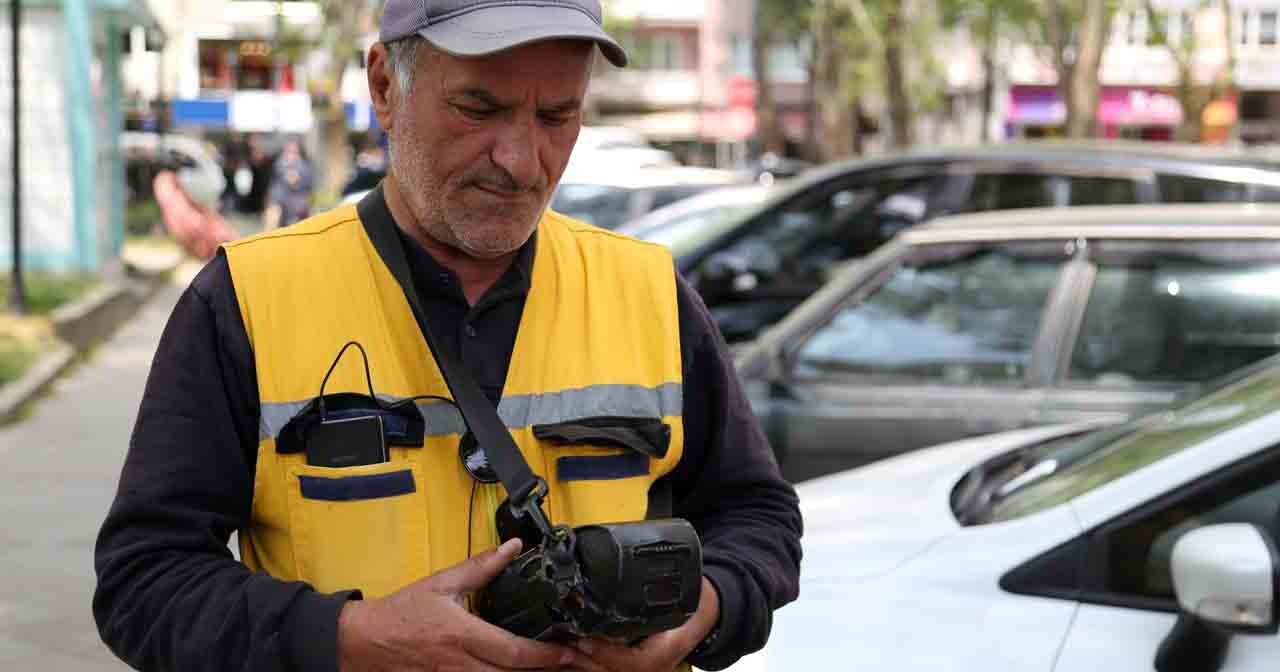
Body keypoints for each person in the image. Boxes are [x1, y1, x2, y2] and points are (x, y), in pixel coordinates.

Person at [93, 2, 802, 671]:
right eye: (478, 108)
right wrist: (345, 640)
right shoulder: (245, 300)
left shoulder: (650, 291)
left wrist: (704, 609)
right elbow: (144, 579)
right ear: (384, 85)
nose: (522, 161)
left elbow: (759, 517)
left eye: (558, 114)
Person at [264, 138, 315, 229]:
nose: (290, 154)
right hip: (280, 202)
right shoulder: (279, 163)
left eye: (293, 152)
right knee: (273, 211)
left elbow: (292, 180)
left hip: (298, 203)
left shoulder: (303, 166)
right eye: (288, 151)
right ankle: (267, 237)